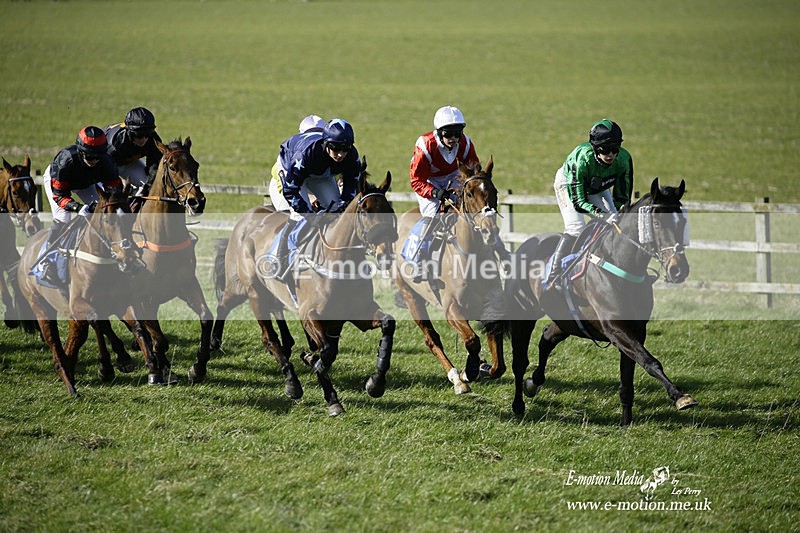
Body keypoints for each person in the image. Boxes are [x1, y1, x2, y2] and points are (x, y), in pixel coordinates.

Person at [407, 105, 510, 281]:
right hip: (428, 180)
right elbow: (417, 180)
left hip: (456, 177)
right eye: (448, 133)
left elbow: (474, 174)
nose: (453, 138)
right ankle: (419, 260)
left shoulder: (466, 143)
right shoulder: (425, 145)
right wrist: (435, 193)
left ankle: (502, 252)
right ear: (439, 132)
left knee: (478, 211)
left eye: (458, 132)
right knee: (432, 215)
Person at [267, 118, 362, 278]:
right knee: (298, 215)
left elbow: (350, 190)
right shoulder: (306, 153)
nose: (340, 154)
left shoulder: (352, 156)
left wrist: (340, 207)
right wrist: (310, 216)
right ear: (326, 144)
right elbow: (291, 190)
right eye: (335, 148)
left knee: (336, 212)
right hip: (292, 170)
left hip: (320, 174)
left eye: (345, 148)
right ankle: (277, 257)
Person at [545, 118, 634, 289]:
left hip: (598, 185)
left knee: (615, 221)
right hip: (569, 185)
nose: (611, 155)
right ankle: (554, 276)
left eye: (615, 149)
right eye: (605, 149)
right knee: (576, 228)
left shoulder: (624, 159)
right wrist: (602, 215)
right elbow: (579, 202)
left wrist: (613, 214)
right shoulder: (582, 159)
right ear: (595, 147)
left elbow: (623, 197)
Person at [39, 126, 122, 285]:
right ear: (81, 152)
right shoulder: (65, 162)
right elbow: (59, 196)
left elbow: (115, 189)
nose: (94, 161)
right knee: (63, 217)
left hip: (86, 183)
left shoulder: (106, 162)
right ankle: (47, 260)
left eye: (98, 157)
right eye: (90, 157)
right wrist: (78, 207)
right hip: (60, 184)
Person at [103, 107, 163, 191]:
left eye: (147, 134)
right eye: (139, 135)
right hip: (103, 166)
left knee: (152, 188)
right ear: (129, 131)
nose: (143, 139)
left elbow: (154, 164)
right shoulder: (114, 145)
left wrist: (149, 183)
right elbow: (103, 170)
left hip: (128, 163)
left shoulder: (153, 139)